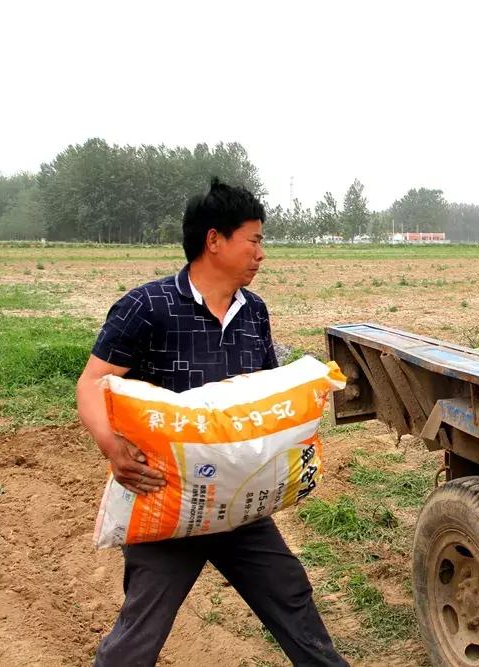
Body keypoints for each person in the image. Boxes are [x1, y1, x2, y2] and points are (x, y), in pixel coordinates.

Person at [76, 178, 347, 666]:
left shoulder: (253, 312)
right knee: (141, 631)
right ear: (215, 240)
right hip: (169, 498)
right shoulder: (148, 306)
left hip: (238, 498)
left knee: (291, 596)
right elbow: (92, 383)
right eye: (254, 240)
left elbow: (262, 393)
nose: (261, 253)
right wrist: (112, 448)